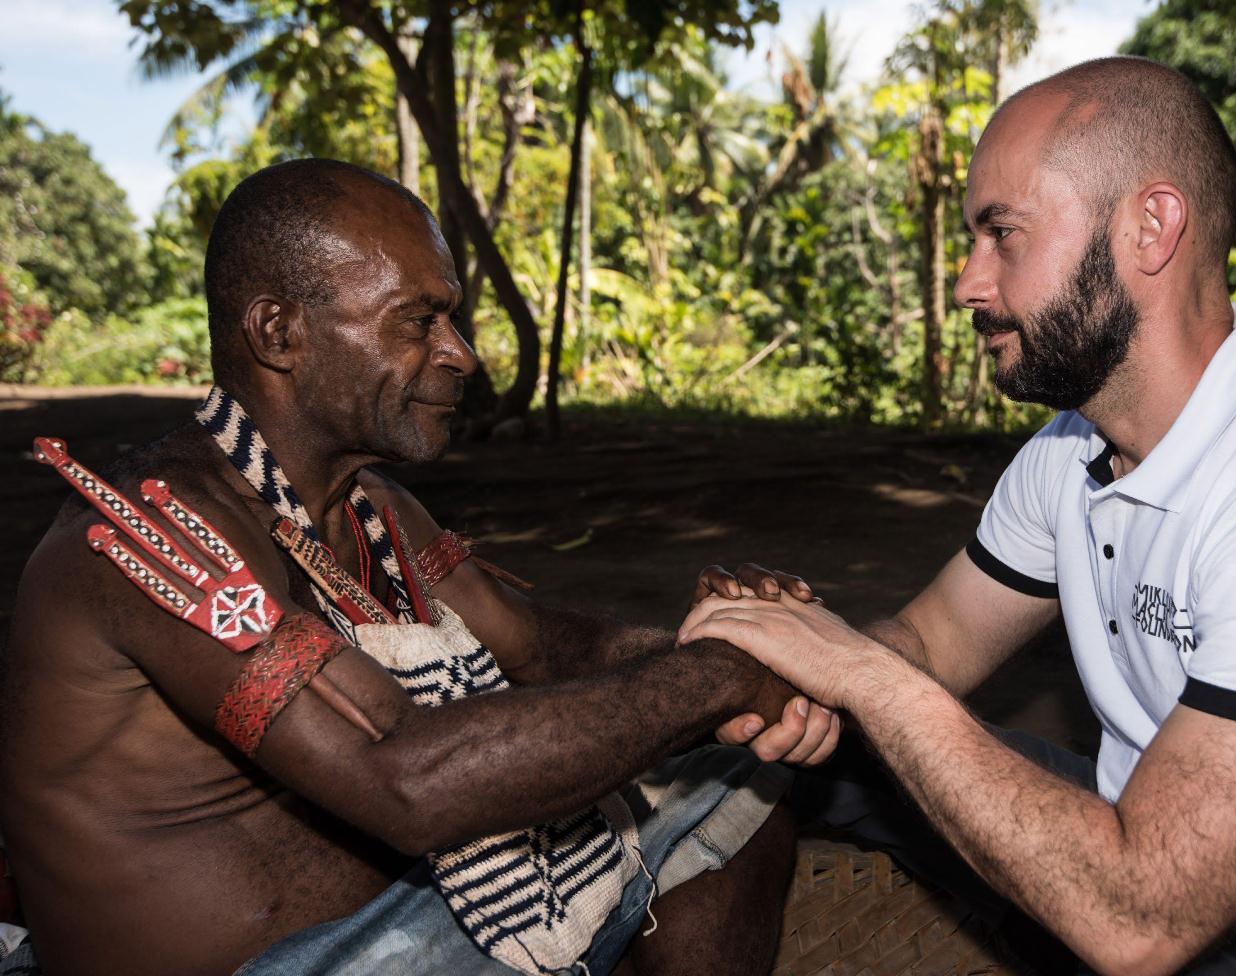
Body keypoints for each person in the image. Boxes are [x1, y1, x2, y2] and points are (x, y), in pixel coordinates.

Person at [684, 57, 1236, 976]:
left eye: (1002, 234)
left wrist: (863, 677)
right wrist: (794, 676)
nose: (971, 285)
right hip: (1133, 835)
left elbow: (1143, 922)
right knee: (761, 762)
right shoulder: (1069, 451)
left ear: (1152, 226)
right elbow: (932, 645)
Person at [0, 159, 834, 976]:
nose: (461, 354)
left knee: (738, 776)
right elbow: (405, 781)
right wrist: (719, 676)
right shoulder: (153, 536)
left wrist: (729, 638)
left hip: (387, 926)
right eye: (417, 321)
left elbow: (540, 649)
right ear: (278, 333)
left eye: (452, 319)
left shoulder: (373, 511)